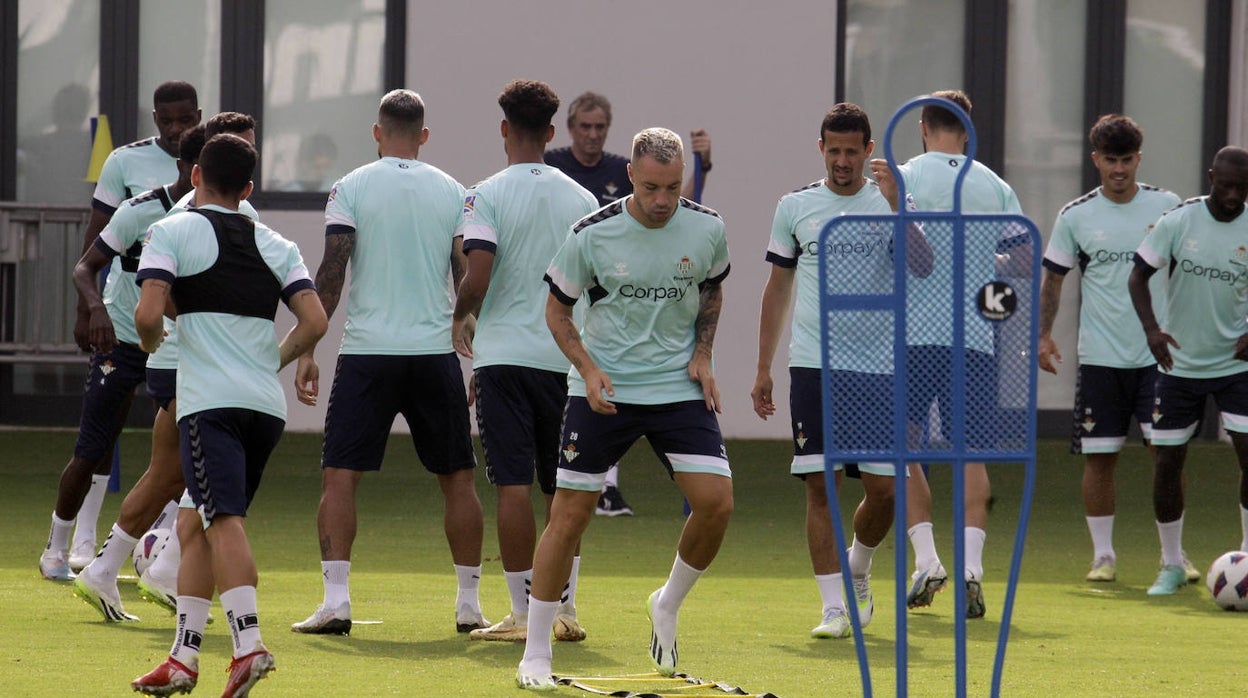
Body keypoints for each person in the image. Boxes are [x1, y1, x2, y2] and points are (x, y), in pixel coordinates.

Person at [516, 127, 731, 690]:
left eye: (673, 187)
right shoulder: (591, 233)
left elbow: (712, 291)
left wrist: (704, 354)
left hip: (677, 389)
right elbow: (557, 314)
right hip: (603, 391)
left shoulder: (707, 227)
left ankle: (666, 602)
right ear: (630, 175)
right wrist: (588, 370)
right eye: (652, 187)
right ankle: (536, 652)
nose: (663, 201)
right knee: (570, 516)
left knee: (716, 503)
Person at [130, 132, 327, 697]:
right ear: (247, 188)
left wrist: (151, 341)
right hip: (264, 408)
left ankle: (249, 645)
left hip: (208, 405)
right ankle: (183, 659)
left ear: (194, 177)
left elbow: (148, 313)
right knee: (192, 524)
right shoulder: (275, 242)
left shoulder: (172, 229)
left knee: (223, 523)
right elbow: (313, 321)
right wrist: (275, 360)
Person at [291, 90, 487, 636]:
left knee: (339, 478)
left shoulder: (350, 186)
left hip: (367, 355)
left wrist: (308, 347)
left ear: (377, 133)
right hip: (432, 355)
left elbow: (332, 272)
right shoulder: (453, 190)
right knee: (459, 479)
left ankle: (336, 602)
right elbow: (463, 268)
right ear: (423, 136)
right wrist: (465, 320)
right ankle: (469, 606)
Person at [752, 103, 932, 639]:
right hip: (814, 364)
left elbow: (923, 266)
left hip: (879, 369)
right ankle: (833, 607)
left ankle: (858, 565)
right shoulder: (795, 206)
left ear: (869, 151)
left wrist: (901, 208)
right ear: (821, 149)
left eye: (853, 150)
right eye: (834, 150)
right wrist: (763, 366)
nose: (843, 160)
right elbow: (777, 287)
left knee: (886, 493)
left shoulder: (892, 199)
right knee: (820, 488)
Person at [73, 113, 262, 621]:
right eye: (240, 147)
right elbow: (164, 292)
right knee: (195, 477)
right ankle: (157, 568)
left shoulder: (207, 212)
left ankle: (111, 568)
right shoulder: (200, 217)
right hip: (191, 364)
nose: (247, 156)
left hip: (188, 361)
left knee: (172, 475)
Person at [869, 89, 1027, 619]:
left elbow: (908, 257)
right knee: (971, 454)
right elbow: (1025, 259)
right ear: (967, 126)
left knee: (905, 450)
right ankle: (972, 571)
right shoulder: (994, 184)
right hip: (976, 340)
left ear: (922, 126)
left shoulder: (902, 174)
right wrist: (986, 256)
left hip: (912, 337)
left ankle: (928, 560)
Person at [451, 80, 598, 643]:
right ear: (554, 132)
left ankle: (519, 613)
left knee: (512, 485)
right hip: (563, 357)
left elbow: (478, 274)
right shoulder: (583, 200)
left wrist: (459, 315)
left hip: (504, 359)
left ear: (504, 128)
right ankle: (565, 609)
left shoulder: (483, 194)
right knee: (564, 488)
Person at [41, 80, 202, 580]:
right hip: (125, 332)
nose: (175, 131)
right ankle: (61, 546)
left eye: (184, 121)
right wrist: (89, 310)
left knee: (180, 453)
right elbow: (93, 250)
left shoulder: (214, 189)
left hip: (179, 344)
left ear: (198, 118)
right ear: (154, 119)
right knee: (94, 443)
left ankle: (152, 551)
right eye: (166, 121)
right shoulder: (129, 175)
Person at [1038, 114, 1194, 584]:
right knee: (1100, 457)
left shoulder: (1169, 208)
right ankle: (1103, 556)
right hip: (1101, 358)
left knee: (1166, 457)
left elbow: (1193, 269)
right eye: (1111, 160)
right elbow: (1053, 281)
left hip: (1159, 359)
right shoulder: (1076, 214)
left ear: (1138, 159)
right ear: (1096, 160)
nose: (1119, 169)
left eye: (1127, 160)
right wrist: (1044, 335)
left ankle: (1175, 555)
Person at [544, 91, 715, 516]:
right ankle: (587, 482)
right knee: (585, 394)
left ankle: (608, 487)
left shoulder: (628, 173)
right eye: (585, 126)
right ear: (569, 129)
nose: (592, 134)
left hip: (624, 296)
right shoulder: (553, 168)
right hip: (572, 290)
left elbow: (674, 212)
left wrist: (702, 167)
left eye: (600, 126)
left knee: (715, 502)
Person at [133, 112, 262, 615]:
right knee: (199, 502)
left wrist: (156, 332)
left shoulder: (180, 221)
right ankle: (238, 635)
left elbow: (157, 298)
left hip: (199, 367)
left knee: (188, 495)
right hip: (210, 373)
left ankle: (135, 569)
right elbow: (311, 316)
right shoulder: (252, 232)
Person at [1128, 145, 1248, 596]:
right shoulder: (1180, 220)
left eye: (1242, 187)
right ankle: (1172, 564)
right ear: (1211, 176)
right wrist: (1151, 329)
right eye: (1226, 184)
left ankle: (1247, 555)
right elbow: (1138, 275)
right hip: (1178, 366)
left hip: (1236, 366)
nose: (1233, 194)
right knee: (1167, 464)